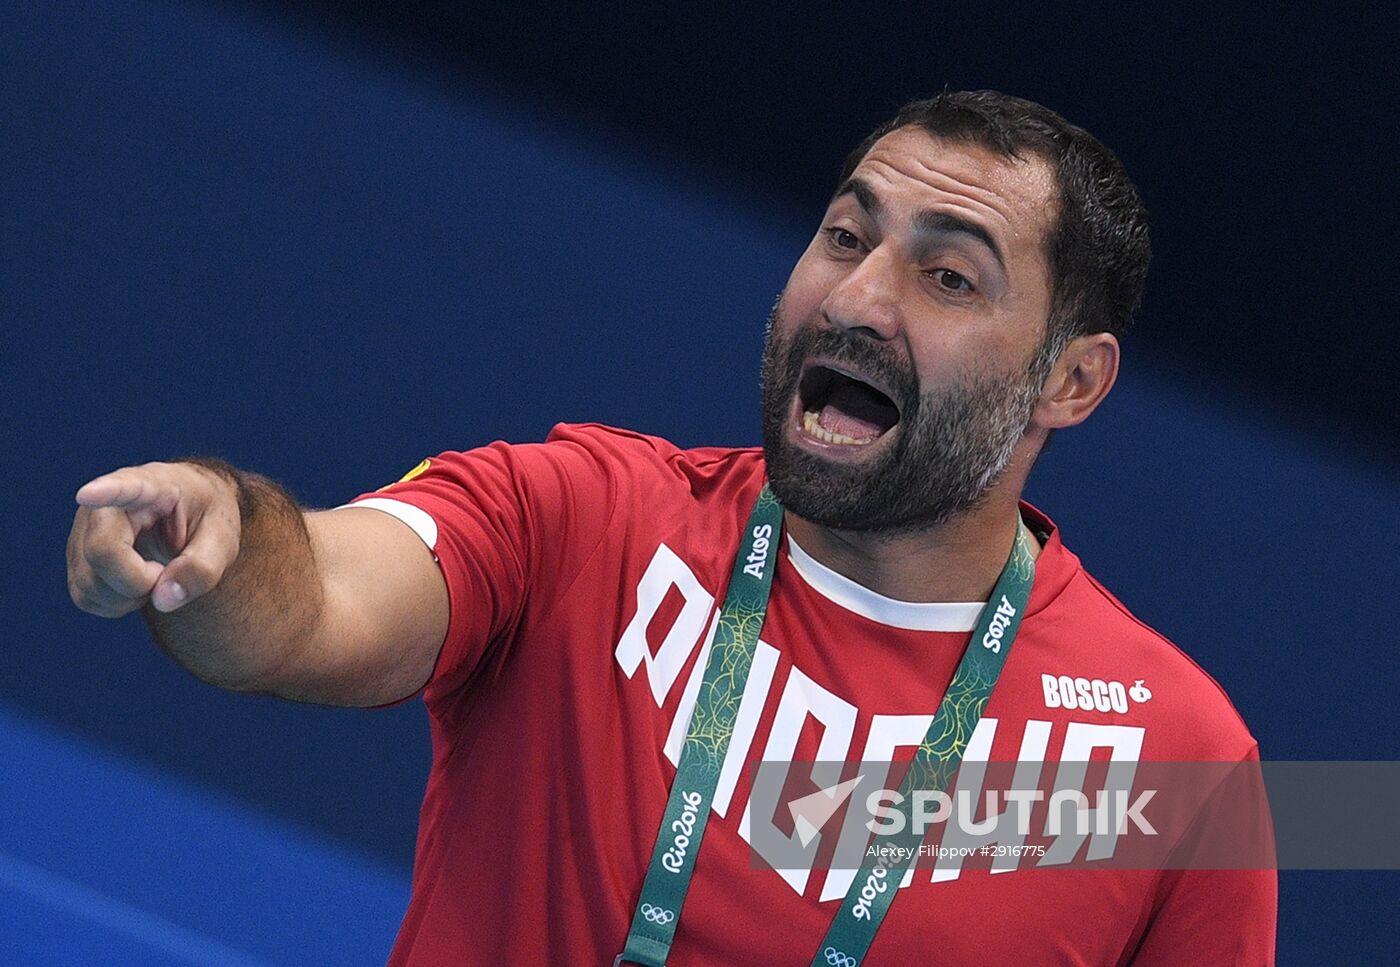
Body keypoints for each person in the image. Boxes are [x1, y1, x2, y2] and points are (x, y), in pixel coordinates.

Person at [66, 90, 1275, 965]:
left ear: (1070, 382)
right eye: (845, 238)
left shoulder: (1175, 763)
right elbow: (318, 601)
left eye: (947, 278)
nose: (856, 300)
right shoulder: (586, 518)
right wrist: (219, 534)